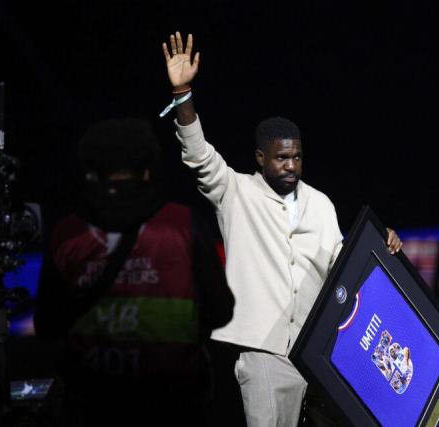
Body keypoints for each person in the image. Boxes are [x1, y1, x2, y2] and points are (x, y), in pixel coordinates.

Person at [160, 31, 403, 426]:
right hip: (264, 353)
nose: (291, 165)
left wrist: (382, 246)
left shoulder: (320, 204)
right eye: (281, 158)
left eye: (297, 157)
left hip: (321, 355)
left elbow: (344, 265)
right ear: (261, 158)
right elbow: (198, 156)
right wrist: (183, 93)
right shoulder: (236, 191)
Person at [33, 118, 233, 425]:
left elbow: (47, 326)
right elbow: (220, 311)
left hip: (93, 408)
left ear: (89, 173)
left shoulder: (67, 234)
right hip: (174, 407)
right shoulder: (183, 224)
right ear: (148, 170)